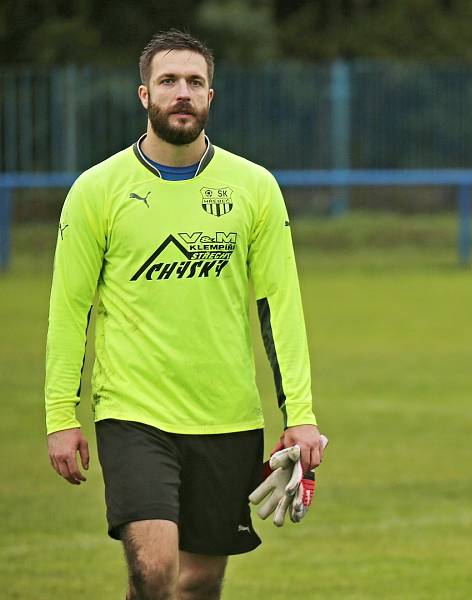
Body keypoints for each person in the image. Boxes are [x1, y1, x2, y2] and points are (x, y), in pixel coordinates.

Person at [45, 29, 325, 600]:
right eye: (168, 81)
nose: (182, 92)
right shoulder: (97, 190)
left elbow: (280, 307)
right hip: (133, 413)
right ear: (144, 94)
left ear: (211, 97)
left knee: (199, 583)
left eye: (195, 82)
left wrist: (300, 413)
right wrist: (60, 415)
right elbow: (70, 309)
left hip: (227, 416)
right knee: (154, 573)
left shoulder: (254, 188)